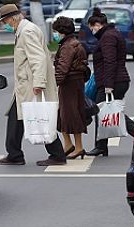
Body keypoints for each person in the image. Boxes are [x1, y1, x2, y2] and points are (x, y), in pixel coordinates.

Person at [0, 4, 66, 166]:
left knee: (40, 117)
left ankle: (57, 154)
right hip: (25, 85)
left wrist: (39, 83)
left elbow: (38, 58)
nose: (4, 25)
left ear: (13, 18)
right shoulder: (24, 30)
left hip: (31, 85)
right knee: (16, 117)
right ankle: (14, 154)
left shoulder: (26, 32)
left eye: (5, 21)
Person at [86, 8, 134, 157]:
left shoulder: (108, 37)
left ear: (97, 24)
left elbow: (110, 61)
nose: (91, 31)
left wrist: (108, 85)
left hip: (113, 82)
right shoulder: (111, 34)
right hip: (115, 80)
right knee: (104, 112)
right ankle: (101, 145)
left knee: (110, 113)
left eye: (91, 27)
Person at [52, 16, 88, 160]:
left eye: (56, 31)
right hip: (75, 83)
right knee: (64, 116)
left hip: (69, 84)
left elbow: (63, 68)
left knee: (71, 115)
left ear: (61, 31)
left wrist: (55, 83)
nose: (55, 34)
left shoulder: (68, 46)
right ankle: (68, 144)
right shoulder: (73, 43)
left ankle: (78, 147)